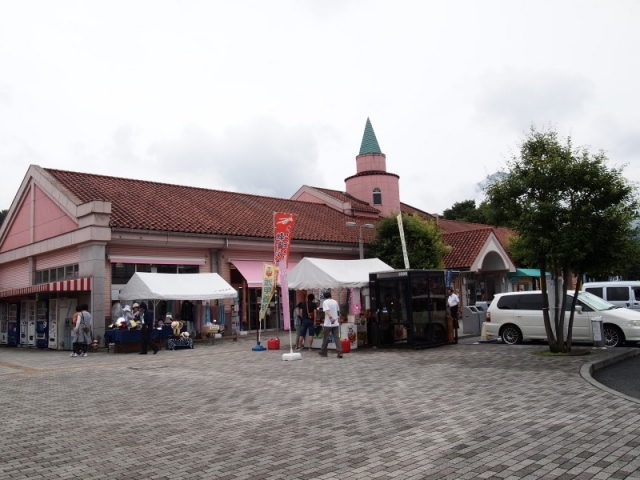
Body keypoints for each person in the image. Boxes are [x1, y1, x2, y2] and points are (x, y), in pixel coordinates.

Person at [318, 291, 343, 358]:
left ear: (324, 297)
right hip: (335, 323)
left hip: (328, 323)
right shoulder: (335, 302)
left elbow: (327, 310)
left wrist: (330, 317)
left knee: (326, 338)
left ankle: (323, 351)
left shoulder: (325, 302)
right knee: (337, 338)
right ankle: (340, 352)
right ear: (330, 295)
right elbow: (338, 312)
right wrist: (336, 318)